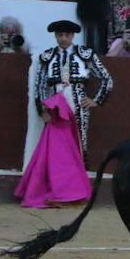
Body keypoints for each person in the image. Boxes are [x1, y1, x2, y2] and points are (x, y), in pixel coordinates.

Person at [14, 19, 113, 208]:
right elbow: (40, 85)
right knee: (56, 152)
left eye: (66, 34)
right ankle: (59, 192)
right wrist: (42, 110)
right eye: (60, 35)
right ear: (55, 36)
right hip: (56, 110)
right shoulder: (47, 56)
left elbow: (107, 79)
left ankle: (76, 194)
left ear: (72, 35)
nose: (63, 38)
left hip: (78, 107)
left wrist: (96, 100)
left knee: (78, 147)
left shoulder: (85, 54)